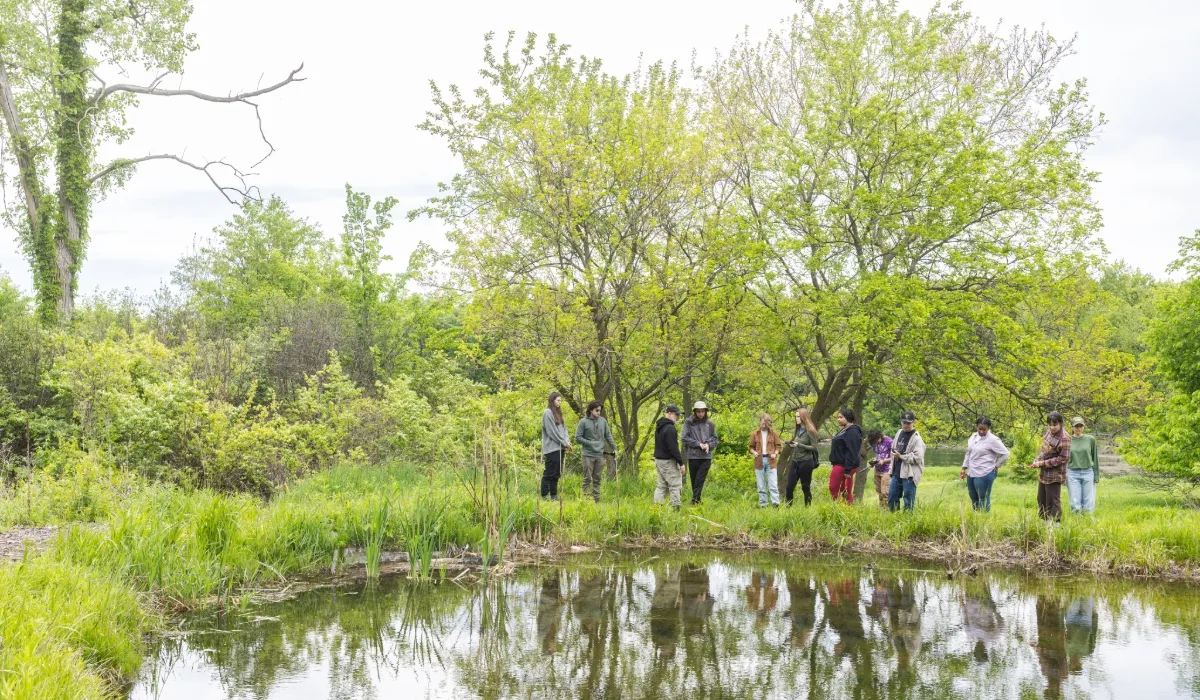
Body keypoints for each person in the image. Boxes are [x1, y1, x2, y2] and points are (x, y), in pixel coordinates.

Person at [1026, 411, 1071, 523]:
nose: (1052, 427)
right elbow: (1043, 450)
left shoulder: (1065, 437)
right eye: (1050, 424)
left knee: (1053, 500)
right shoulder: (1049, 432)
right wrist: (1037, 460)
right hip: (1044, 473)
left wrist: (1042, 463)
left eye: (1055, 424)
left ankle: (1055, 524)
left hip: (1055, 474)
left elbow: (1063, 458)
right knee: (1041, 498)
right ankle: (1044, 522)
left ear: (1061, 423)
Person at [959, 417, 1010, 512]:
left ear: (989, 428)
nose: (981, 431)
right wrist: (964, 468)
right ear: (977, 427)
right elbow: (968, 453)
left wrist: (997, 465)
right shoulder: (973, 437)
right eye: (979, 429)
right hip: (971, 471)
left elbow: (1006, 453)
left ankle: (984, 521)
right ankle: (975, 519)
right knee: (973, 497)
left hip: (985, 472)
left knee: (983, 498)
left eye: (984, 429)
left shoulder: (993, 440)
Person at [575, 400, 617, 504]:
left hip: (600, 455)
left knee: (597, 479)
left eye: (600, 410)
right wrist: (589, 443)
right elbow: (577, 437)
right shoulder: (583, 422)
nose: (599, 412)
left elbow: (608, 435)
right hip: (587, 455)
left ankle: (596, 501)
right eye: (597, 410)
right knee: (587, 478)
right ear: (590, 410)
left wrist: (614, 448)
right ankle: (585, 501)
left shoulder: (602, 421)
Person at [681, 401, 720, 505]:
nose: (701, 414)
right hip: (693, 455)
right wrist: (698, 444)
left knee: (700, 479)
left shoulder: (709, 423)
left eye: (703, 411)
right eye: (698, 411)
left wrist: (708, 445)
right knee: (694, 480)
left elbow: (715, 439)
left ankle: (694, 500)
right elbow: (684, 438)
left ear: (705, 411)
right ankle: (697, 501)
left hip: (706, 456)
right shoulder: (688, 422)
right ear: (695, 411)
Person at [888, 411, 926, 512]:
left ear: (913, 422)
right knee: (892, 497)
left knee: (908, 500)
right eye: (904, 422)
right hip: (897, 471)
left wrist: (901, 456)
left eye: (908, 423)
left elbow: (918, 457)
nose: (906, 425)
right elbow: (893, 448)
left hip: (910, 474)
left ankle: (907, 522)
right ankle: (893, 520)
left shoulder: (917, 439)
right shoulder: (899, 433)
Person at [653, 405, 686, 510]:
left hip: (659, 460)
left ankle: (657, 510)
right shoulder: (670, 428)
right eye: (677, 415)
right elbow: (673, 448)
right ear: (670, 413)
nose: (678, 418)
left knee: (661, 486)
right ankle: (675, 510)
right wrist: (681, 463)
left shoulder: (659, 426)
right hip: (668, 461)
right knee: (675, 485)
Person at [786, 407, 821, 506]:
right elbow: (797, 443)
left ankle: (807, 508)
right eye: (796, 417)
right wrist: (792, 444)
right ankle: (788, 509)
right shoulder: (797, 430)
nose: (796, 419)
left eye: (798, 417)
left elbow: (814, 448)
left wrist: (799, 445)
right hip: (795, 461)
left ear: (803, 417)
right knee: (789, 487)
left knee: (805, 487)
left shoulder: (811, 431)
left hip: (806, 462)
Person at [540, 392, 572, 500]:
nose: (560, 402)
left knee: (557, 473)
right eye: (558, 400)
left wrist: (568, 442)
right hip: (552, 448)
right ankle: (544, 496)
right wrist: (564, 442)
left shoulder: (559, 413)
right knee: (549, 472)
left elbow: (564, 430)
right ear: (552, 400)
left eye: (561, 400)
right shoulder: (547, 412)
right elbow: (552, 432)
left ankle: (554, 495)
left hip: (561, 448)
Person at [828, 408, 863, 503]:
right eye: (838, 417)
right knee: (844, 488)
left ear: (847, 418)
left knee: (833, 487)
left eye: (840, 417)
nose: (838, 419)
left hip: (844, 465)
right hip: (841, 463)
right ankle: (843, 506)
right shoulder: (845, 429)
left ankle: (837, 506)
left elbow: (852, 451)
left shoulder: (852, 432)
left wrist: (847, 469)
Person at [1067, 416, 1100, 514]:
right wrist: (1063, 475)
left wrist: (1096, 475)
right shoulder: (1067, 440)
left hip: (1088, 472)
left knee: (1088, 502)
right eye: (1076, 426)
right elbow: (1064, 459)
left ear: (1083, 427)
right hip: (1072, 473)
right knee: (1075, 501)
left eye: (1080, 426)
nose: (1078, 428)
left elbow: (1095, 457)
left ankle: (1088, 521)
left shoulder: (1090, 439)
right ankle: (1077, 522)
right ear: (1072, 427)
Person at [750, 413, 783, 506]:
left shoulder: (774, 433)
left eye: (765, 424)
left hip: (771, 461)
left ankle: (775, 504)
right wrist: (754, 452)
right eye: (762, 423)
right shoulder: (754, 434)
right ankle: (763, 505)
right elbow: (751, 447)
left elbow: (778, 446)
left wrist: (775, 453)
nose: (763, 426)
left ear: (768, 424)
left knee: (773, 485)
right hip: (759, 461)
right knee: (761, 486)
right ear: (760, 422)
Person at [866, 429, 894, 508]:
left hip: (887, 470)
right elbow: (878, 455)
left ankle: (887, 510)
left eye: (876, 440)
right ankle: (881, 509)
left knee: (885, 492)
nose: (876, 443)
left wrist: (884, 461)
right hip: (877, 469)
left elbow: (895, 457)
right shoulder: (874, 443)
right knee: (879, 491)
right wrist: (873, 462)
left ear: (879, 436)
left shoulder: (889, 441)